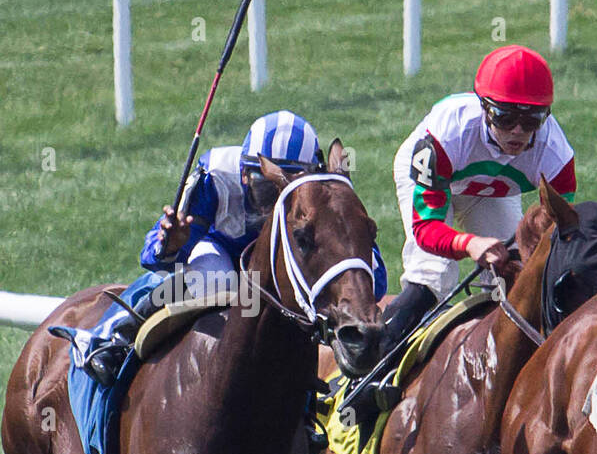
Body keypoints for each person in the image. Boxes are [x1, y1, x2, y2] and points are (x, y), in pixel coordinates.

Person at [74, 111, 387, 385]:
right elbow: (153, 255)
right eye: (265, 188)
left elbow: (374, 275)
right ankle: (112, 336)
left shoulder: (325, 194)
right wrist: (171, 246)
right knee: (214, 278)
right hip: (222, 255)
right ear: (242, 172)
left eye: (284, 189)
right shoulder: (214, 175)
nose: (274, 203)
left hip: (275, 273)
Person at [381, 44, 577, 353]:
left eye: (531, 120)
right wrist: (469, 244)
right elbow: (426, 229)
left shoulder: (557, 156)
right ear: (484, 107)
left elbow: (557, 236)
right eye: (504, 116)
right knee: (434, 273)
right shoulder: (448, 134)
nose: (517, 131)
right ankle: (373, 365)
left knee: (513, 277)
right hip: (438, 178)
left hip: (488, 190)